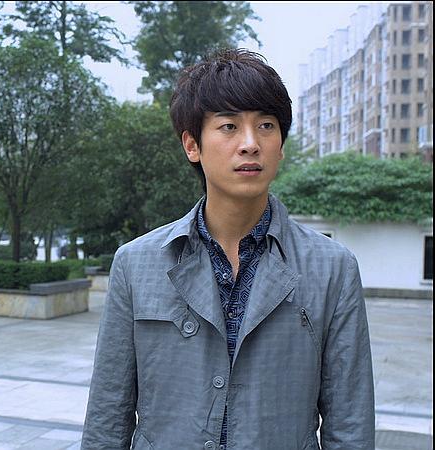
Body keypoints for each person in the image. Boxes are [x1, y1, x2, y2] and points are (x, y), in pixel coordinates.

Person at [81, 49, 374, 449]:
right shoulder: (136, 264)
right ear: (192, 145)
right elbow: (107, 416)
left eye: (266, 125)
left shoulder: (332, 268)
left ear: (281, 145)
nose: (250, 144)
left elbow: (350, 423)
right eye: (229, 126)